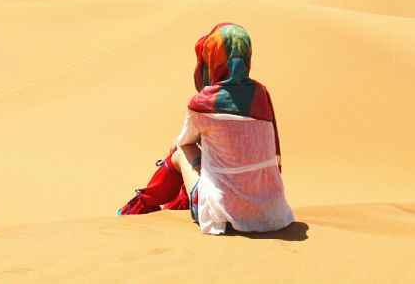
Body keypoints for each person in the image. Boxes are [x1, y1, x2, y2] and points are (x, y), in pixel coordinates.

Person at [119, 23, 294, 235]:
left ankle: (143, 203)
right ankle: (175, 201)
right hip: (272, 214)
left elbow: (184, 142)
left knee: (180, 152)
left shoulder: (204, 104)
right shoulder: (261, 96)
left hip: (221, 214)